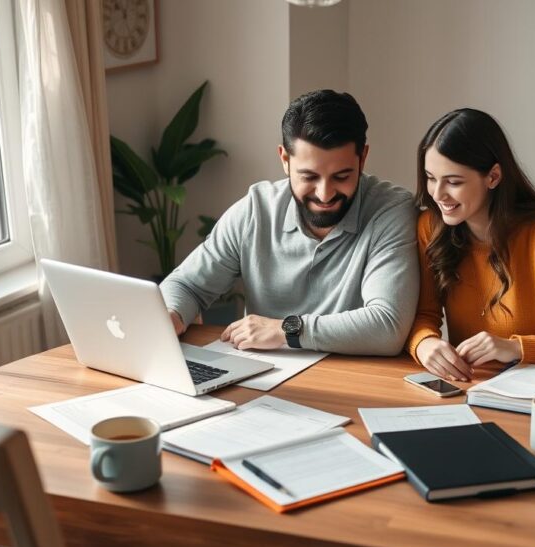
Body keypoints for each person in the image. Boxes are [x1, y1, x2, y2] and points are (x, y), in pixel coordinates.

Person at [160, 90, 418, 355]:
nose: (324, 194)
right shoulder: (255, 210)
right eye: (309, 176)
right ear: (285, 160)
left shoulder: (391, 210)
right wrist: (172, 315)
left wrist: (286, 330)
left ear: (362, 158)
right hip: (263, 378)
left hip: (351, 381)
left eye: (341, 176)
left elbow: (387, 326)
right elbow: (186, 285)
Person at [406, 108, 535, 382]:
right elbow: (423, 314)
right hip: (469, 388)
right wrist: (424, 344)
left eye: (453, 182)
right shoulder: (430, 228)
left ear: (493, 177)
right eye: (431, 178)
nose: (438, 194)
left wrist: (516, 348)